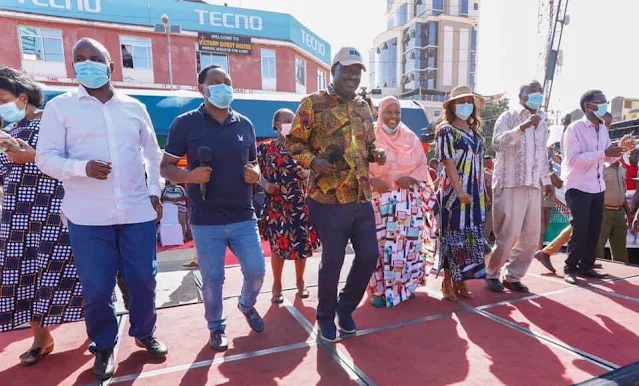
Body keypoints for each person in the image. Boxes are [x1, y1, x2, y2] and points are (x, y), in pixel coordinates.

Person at [36, 39, 167, 380]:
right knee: (96, 287)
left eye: (95, 58)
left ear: (111, 66)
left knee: (143, 280)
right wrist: (82, 168)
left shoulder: (134, 107)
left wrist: (155, 192)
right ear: (72, 67)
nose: (87, 64)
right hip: (87, 216)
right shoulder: (60, 107)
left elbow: (153, 155)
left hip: (136, 211)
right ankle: (105, 344)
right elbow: (44, 158)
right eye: (79, 59)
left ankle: (143, 331)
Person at [159, 64, 265, 352]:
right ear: (201, 88)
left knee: (256, 270)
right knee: (213, 279)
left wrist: (255, 173)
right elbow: (166, 167)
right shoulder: (186, 123)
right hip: (206, 220)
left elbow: (253, 161)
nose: (222, 86)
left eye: (227, 81)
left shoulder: (245, 124)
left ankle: (247, 304)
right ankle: (216, 327)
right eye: (215, 82)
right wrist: (190, 176)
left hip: (243, 215)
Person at [287, 47, 386, 342]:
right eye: (348, 71)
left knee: (369, 255)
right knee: (333, 260)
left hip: (360, 194)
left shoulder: (363, 107)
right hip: (327, 197)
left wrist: (375, 153)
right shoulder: (312, 104)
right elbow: (293, 144)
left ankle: (345, 308)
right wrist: (312, 161)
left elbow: (366, 145)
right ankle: (325, 316)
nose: (353, 77)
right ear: (334, 71)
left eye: (358, 72)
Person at [0, 67, 84, 366]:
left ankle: (100, 330)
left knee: (76, 273)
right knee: (24, 276)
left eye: (2, 98)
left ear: (23, 97)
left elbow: (76, 163)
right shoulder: (8, 132)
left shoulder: (56, 121)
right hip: (16, 218)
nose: (1, 106)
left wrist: (32, 155)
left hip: (55, 213)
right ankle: (41, 338)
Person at [367, 96, 437, 307]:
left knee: (407, 246)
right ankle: (378, 292)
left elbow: (421, 165)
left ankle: (405, 286)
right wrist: (371, 181)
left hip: (407, 202)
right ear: (380, 113)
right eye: (388, 111)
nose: (393, 116)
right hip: (379, 201)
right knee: (378, 248)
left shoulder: (410, 137)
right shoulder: (369, 135)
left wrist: (412, 178)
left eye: (397, 112)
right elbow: (356, 164)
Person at [561, 90, 634, 284]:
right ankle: (570, 267)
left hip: (597, 186)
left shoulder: (602, 128)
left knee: (594, 229)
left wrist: (623, 148)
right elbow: (573, 160)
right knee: (581, 228)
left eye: (605, 101)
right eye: (600, 102)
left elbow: (609, 158)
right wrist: (603, 152)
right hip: (578, 186)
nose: (604, 105)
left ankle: (587, 266)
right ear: (588, 106)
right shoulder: (574, 128)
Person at [487, 81, 553, 293]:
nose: (537, 97)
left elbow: (542, 154)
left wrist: (548, 181)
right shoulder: (508, 116)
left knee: (532, 237)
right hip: (510, 183)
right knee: (508, 234)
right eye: (533, 93)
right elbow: (496, 143)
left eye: (539, 93)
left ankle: (513, 276)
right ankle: (492, 273)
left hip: (533, 185)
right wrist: (522, 128)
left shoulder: (543, 121)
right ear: (521, 96)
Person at [257, 108, 319, 303]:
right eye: (286, 121)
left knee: (302, 244)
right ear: (276, 125)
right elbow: (251, 172)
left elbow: (319, 169)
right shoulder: (264, 148)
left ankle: (300, 282)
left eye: (294, 121)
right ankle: (277, 284)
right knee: (279, 246)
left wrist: (308, 174)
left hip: (300, 203)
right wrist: (264, 183)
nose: (291, 125)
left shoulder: (304, 148)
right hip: (276, 204)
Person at [436, 85, 487, 302]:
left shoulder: (476, 134)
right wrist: (459, 191)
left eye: (469, 101)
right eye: (461, 101)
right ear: (452, 106)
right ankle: (447, 280)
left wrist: (482, 192)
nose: (465, 105)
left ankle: (461, 281)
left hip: (476, 194)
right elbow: (447, 162)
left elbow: (480, 164)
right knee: (452, 238)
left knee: (469, 239)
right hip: (454, 194)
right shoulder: (446, 131)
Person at [596, 159, 630, 263]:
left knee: (620, 247)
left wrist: (628, 212)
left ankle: (621, 273)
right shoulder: (601, 168)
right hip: (603, 211)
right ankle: (596, 272)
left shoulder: (622, 169)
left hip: (620, 211)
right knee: (598, 245)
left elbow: (623, 193)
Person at [484, 156, 494, 244]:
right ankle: (485, 238)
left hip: (487, 199)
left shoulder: (491, 173)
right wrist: (489, 200)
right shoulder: (487, 174)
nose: (491, 164)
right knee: (488, 219)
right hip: (487, 199)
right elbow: (488, 188)